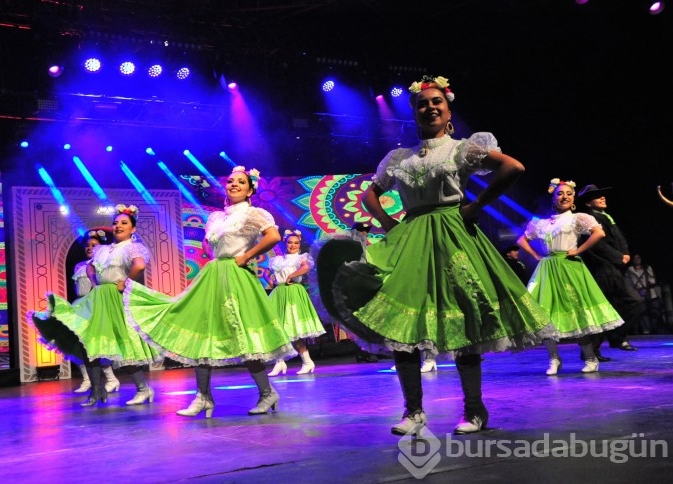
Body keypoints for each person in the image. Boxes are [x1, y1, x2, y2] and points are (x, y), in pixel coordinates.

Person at [318, 75, 555, 437]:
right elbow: (370, 196)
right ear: (414, 113)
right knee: (401, 322)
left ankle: (474, 410)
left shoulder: (461, 149)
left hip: (452, 234)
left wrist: (475, 205)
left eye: (436, 103)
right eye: (422, 104)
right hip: (410, 237)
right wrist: (387, 223)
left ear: (448, 112)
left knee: (464, 318)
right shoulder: (399, 157)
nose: (429, 107)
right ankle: (413, 412)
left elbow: (514, 167)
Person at [123, 166, 297, 417]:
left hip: (237, 278)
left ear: (250, 189)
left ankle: (267, 393)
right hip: (213, 276)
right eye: (230, 182)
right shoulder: (216, 217)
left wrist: (246, 256)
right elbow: (209, 245)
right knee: (203, 335)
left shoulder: (254, 213)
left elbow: (272, 236)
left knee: (245, 337)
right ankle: (203, 397)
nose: (233, 185)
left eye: (240, 182)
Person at [29, 205, 161, 407]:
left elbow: (140, 266)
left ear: (133, 228)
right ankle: (97, 390)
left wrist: (125, 282)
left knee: (125, 344)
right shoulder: (103, 250)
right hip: (98, 297)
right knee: (88, 343)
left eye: (124, 223)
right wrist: (95, 282)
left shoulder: (132, 247)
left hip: (116, 298)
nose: (118, 226)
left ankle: (143, 389)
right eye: (115, 223)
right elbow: (90, 267)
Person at [516, 179, 624, 375]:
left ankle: (591, 358)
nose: (564, 196)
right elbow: (521, 239)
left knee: (575, 311)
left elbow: (598, 233)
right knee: (545, 315)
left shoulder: (576, 218)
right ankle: (554, 359)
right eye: (559, 193)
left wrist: (578, 250)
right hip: (547, 269)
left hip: (568, 268)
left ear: (573, 198)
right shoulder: (542, 223)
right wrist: (536, 256)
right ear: (553, 197)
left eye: (568, 193)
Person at [577, 184, 645, 357]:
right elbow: (598, 245)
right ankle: (600, 346)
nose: (602, 198)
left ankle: (609, 341)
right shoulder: (588, 219)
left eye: (602, 195)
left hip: (613, 268)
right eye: (597, 196)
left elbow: (620, 237)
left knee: (619, 305)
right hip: (602, 268)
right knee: (610, 307)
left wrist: (626, 253)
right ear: (588, 203)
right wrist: (618, 256)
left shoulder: (605, 216)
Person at [265, 229, 326, 376]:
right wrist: (271, 280)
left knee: (293, 331)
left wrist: (291, 276)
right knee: (277, 330)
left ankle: (307, 361)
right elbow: (268, 272)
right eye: (290, 242)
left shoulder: (301, 258)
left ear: (299, 244)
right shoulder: (277, 260)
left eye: (296, 243)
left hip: (292, 293)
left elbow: (306, 267)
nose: (292, 245)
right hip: (278, 294)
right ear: (285, 243)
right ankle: (279, 363)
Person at [71, 229, 120, 394]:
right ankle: (87, 379)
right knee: (79, 344)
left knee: (97, 344)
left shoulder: (103, 265)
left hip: (96, 305)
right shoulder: (79, 266)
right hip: (80, 305)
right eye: (88, 245)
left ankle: (111, 379)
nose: (89, 247)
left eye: (94, 245)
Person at [625, 254, 665, 334]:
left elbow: (653, 279)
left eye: (639, 257)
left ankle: (656, 329)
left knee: (655, 312)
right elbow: (628, 283)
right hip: (638, 295)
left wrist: (648, 284)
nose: (637, 259)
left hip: (651, 294)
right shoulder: (630, 270)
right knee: (643, 314)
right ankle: (646, 330)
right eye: (635, 258)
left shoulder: (647, 268)